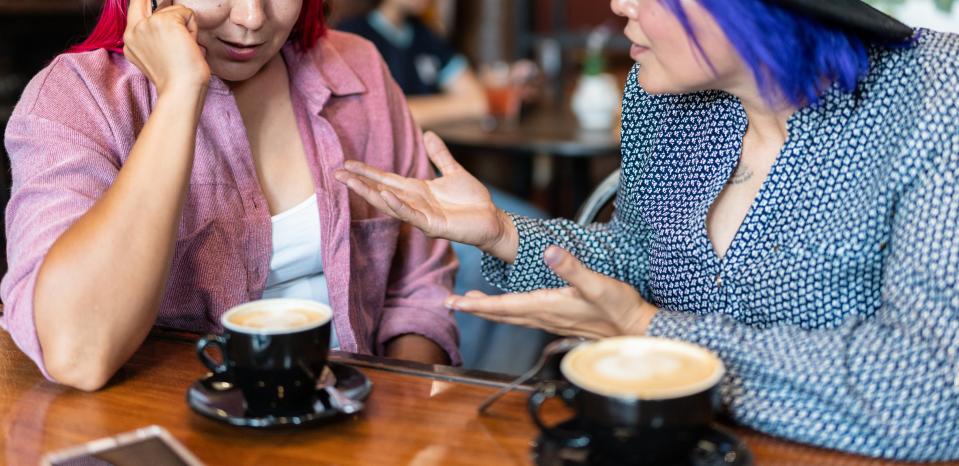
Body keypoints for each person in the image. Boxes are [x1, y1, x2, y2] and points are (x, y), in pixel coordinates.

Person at [334, 0, 959, 461]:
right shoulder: (662, 96)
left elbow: (932, 395)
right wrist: (502, 233)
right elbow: (636, 259)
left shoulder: (933, 96)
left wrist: (645, 330)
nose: (618, 7)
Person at [0, 0, 460, 392]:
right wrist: (180, 94)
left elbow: (418, 290)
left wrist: (402, 414)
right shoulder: (77, 100)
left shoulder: (359, 71)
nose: (252, 18)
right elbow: (77, 351)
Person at [338, 0, 551, 374]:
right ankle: (471, 380)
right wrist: (430, 106)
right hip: (383, 190)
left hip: (436, 184)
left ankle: (508, 382)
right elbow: (400, 111)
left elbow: (476, 98)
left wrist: (417, 106)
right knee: (473, 260)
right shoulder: (357, 37)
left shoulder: (426, 37)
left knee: (531, 224)